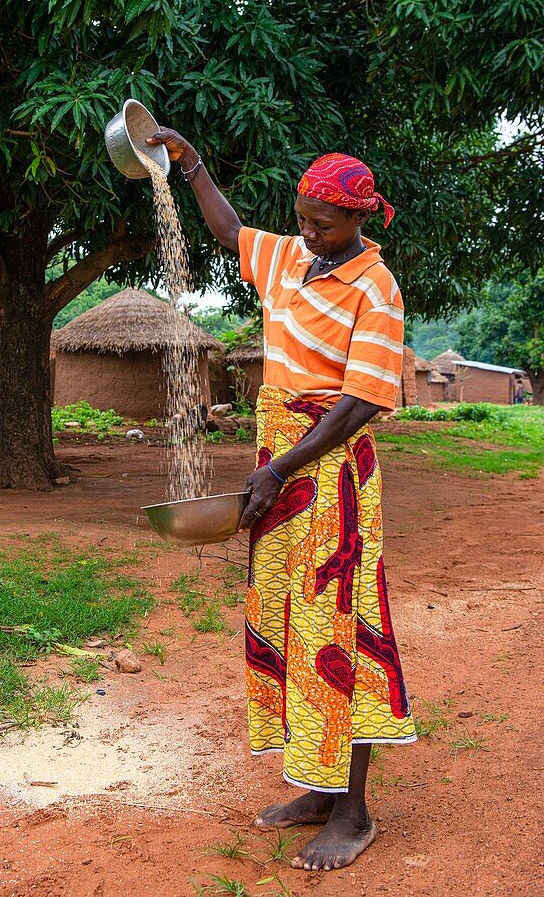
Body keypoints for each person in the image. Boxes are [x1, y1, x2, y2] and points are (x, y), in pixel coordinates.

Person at [146, 131, 416, 872]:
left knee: (340, 630)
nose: (307, 231)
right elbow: (231, 231)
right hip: (281, 463)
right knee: (286, 618)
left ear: (359, 219)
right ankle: (320, 789)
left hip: (331, 477)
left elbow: (362, 400)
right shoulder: (292, 260)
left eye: (322, 222)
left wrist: (281, 469)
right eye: (301, 217)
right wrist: (192, 162)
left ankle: (354, 812)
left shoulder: (375, 288)